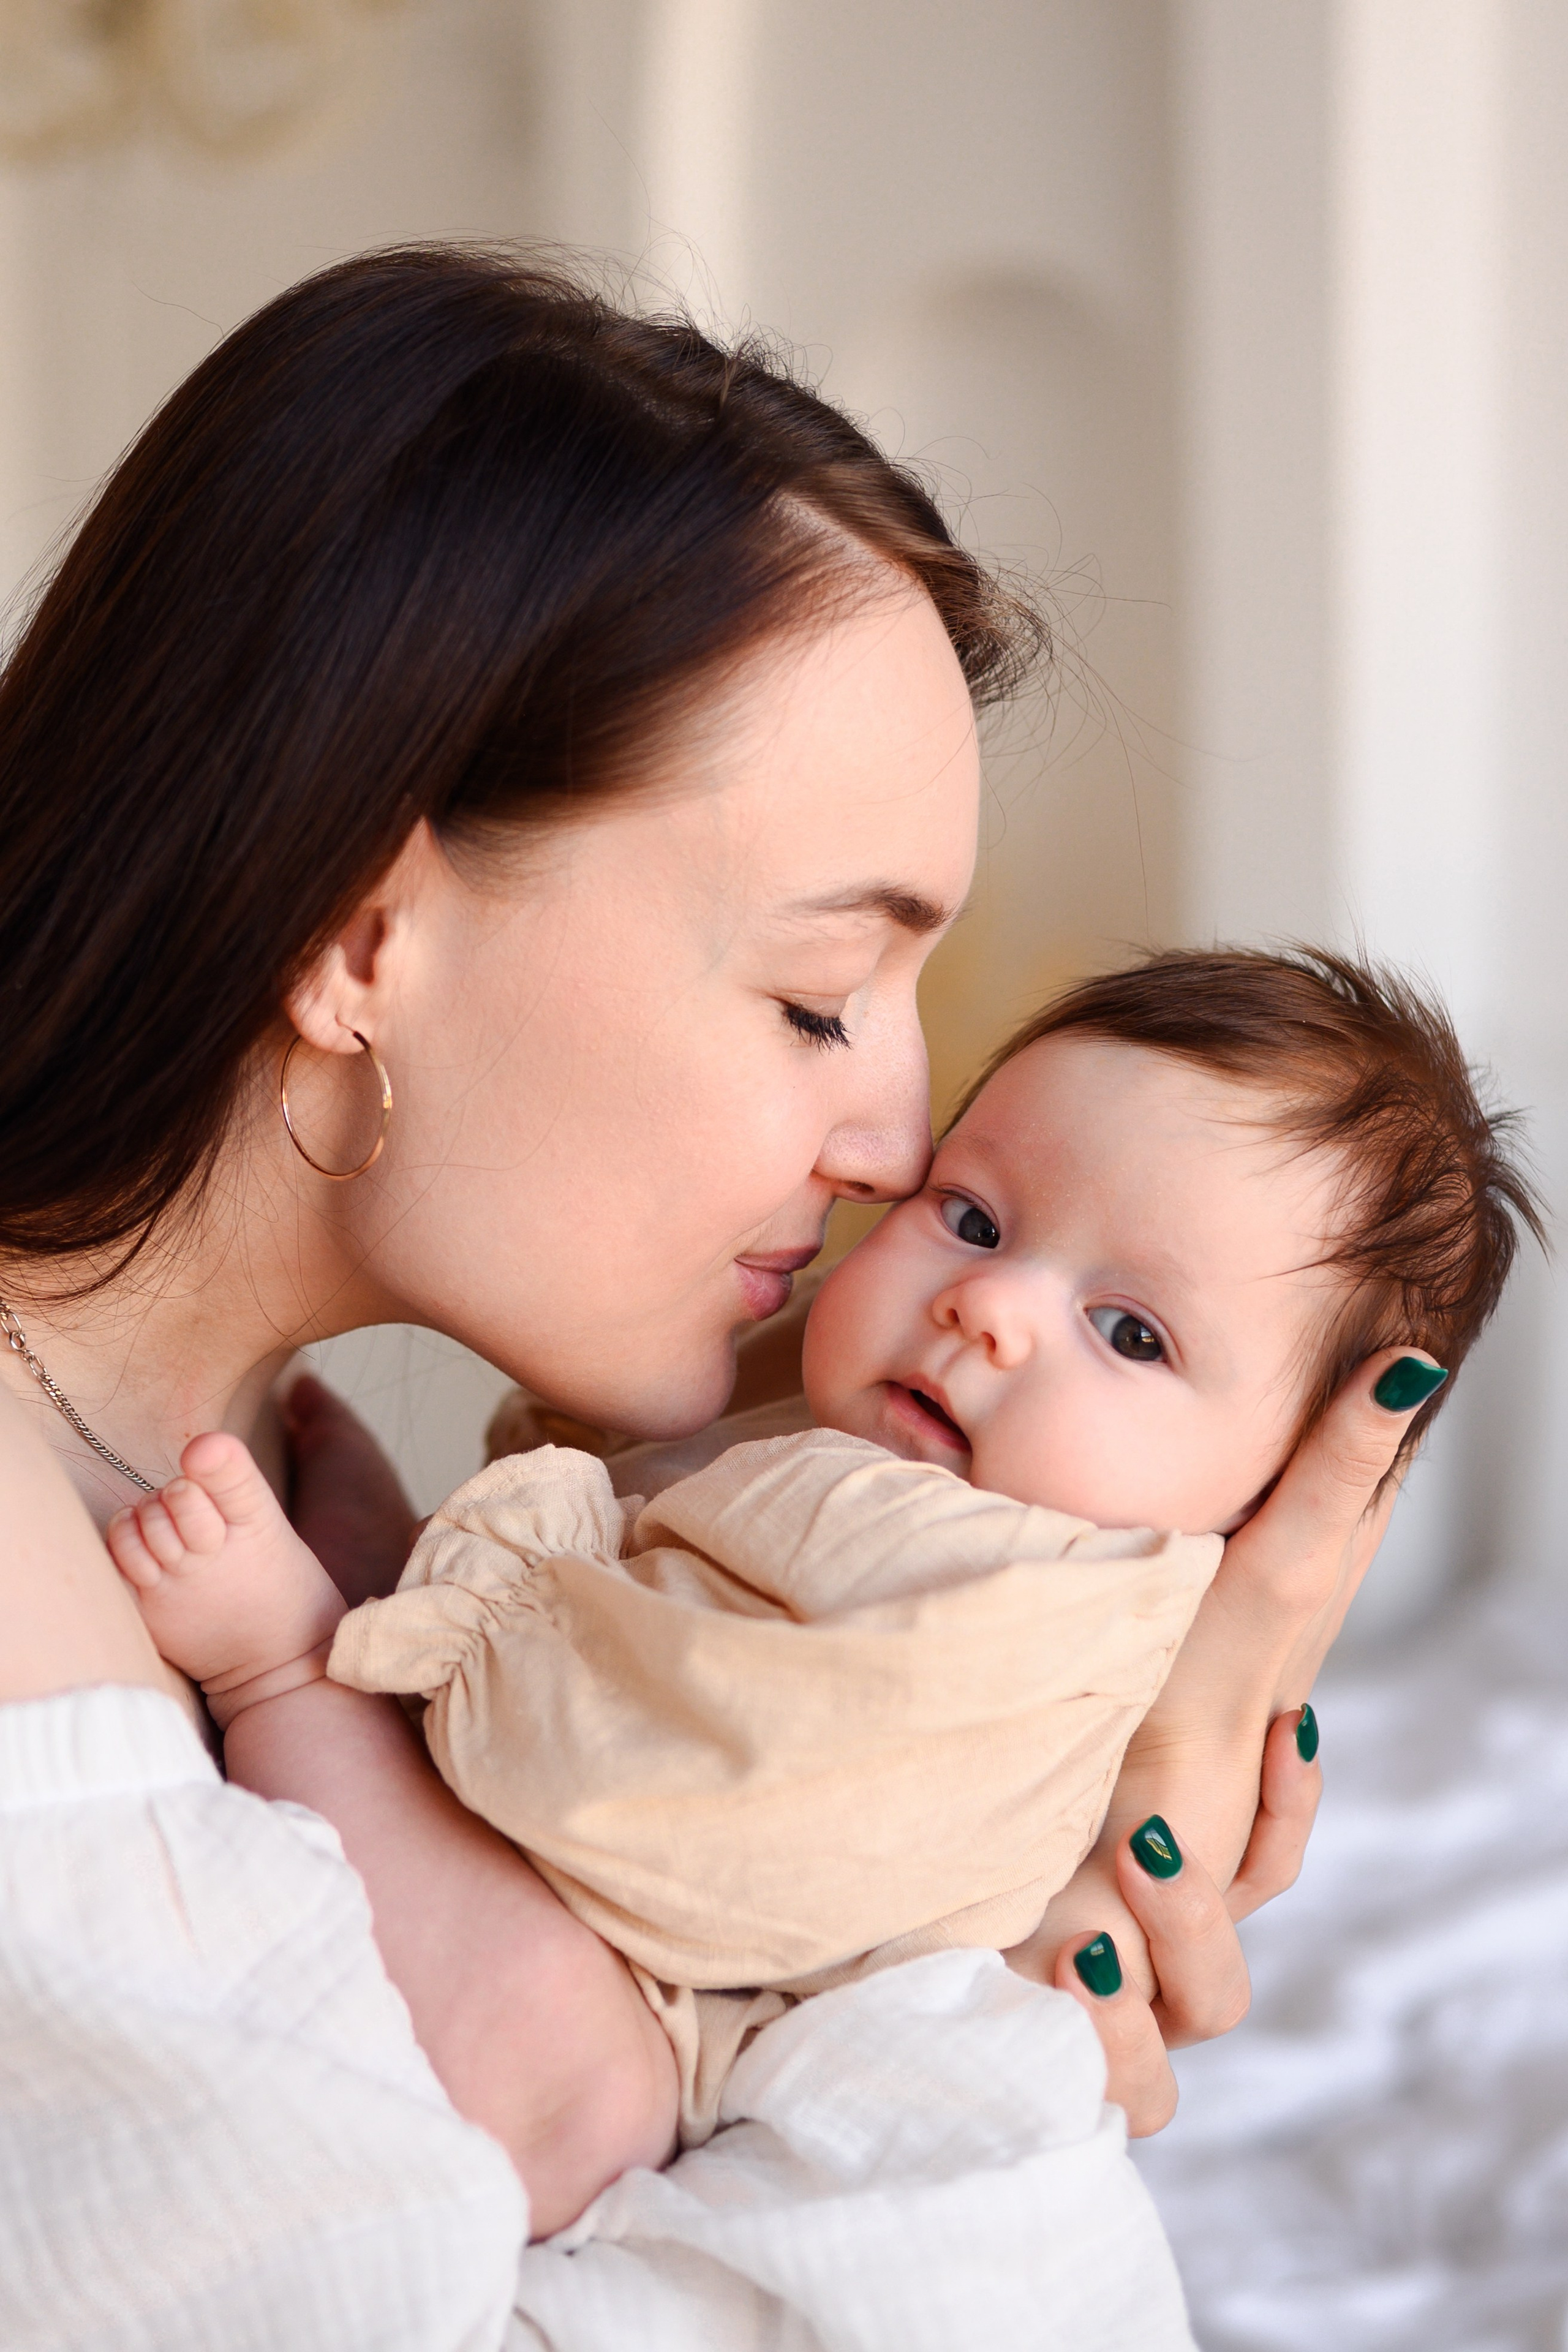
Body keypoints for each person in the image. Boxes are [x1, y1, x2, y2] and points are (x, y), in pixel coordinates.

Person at [0, 245, 1420, 2348]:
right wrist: (958, 2073)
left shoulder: (297, 1479)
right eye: (818, 993)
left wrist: (985, 1843)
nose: (898, 1144)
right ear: (362, 934)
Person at [100, 944, 1532, 2155]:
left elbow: (685, 1784)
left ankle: (285, 1663)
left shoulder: (1012, 1592)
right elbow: (644, 1552)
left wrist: (433, 1619)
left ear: (1274, 1488)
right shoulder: (874, 1440)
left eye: (1132, 1332)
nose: (991, 1310)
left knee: (554, 2071)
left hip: (681, 2035)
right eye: (971, 1217)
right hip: (625, 1863)